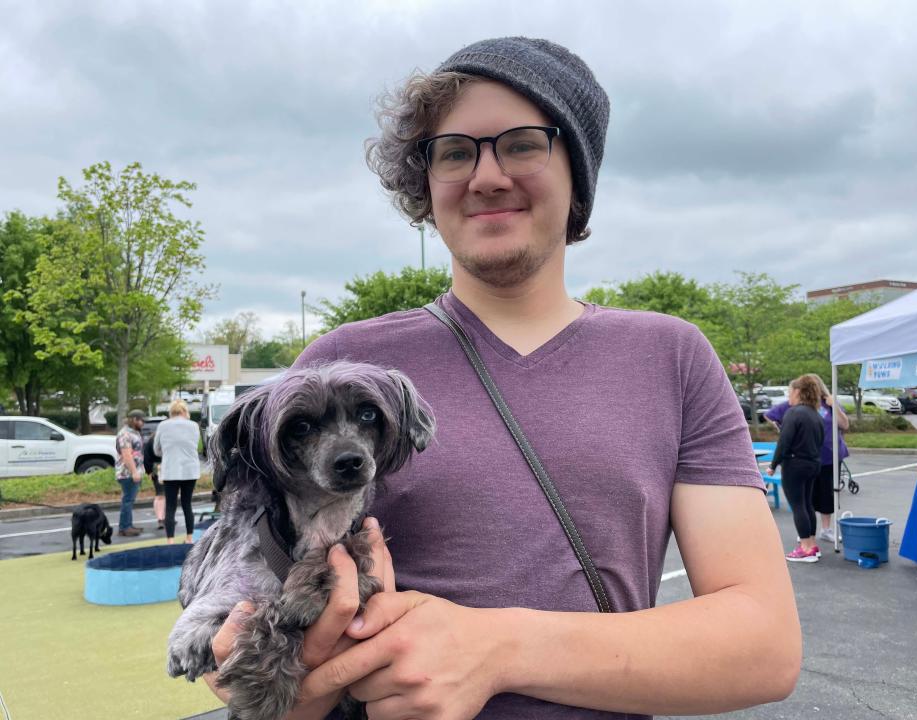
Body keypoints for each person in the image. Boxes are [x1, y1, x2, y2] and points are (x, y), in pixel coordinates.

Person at [204, 37, 801, 719]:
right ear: (424, 184)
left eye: (522, 144)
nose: (485, 176)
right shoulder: (339, 373)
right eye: (455, 152)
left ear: (577, 171)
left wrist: (499, 648)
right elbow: (246, 599)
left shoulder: (672, 356)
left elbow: (764, 645)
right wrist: (277, 678)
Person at [765, 374, 849, 543]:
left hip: (827, 456)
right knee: (805, 500)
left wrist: (835, 407)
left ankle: (819, 533)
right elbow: (770, 416)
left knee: (823, 496)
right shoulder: (796, 409)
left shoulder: (825, 405)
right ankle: (807, 535)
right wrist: (781, 427)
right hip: (810, 457)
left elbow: (845, 425)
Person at [766, 375, 826, 563]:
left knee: (798, 506)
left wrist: (773, 465)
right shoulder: (815, 414)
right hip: (813, 464)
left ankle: (805, 548)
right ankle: (812, 545)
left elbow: (784, 441)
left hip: (795, 465)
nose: (788, 396)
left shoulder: (794, 413)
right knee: (807, 504)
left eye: (790, 392)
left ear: (798, 392)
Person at [153, 399, 201, 545]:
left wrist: (167, 453)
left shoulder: (163, 425)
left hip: (171, 469)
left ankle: (170, 540)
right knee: (187, 504)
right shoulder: (193, 426)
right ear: (184, 411)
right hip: (190, 470)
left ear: (171, 412)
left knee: (171, 506)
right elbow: (196, 446)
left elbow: (156, 449)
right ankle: (189, 538)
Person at [115, 408, 146, 537]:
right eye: (141, 420)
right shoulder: (125, 434)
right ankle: (124, 527)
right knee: (127, 500)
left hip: (134, 471)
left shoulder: (134, 432)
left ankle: (129, 524)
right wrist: (134, 472)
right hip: (127, 473)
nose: (143, 423)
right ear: (134, 420)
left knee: (130, 499)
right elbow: (127, 455)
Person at [143, 432, 165, 530]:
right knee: (161, 495)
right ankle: (161, 518)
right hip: (162, 469)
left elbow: (146, 457)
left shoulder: (150, 441)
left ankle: (162, 517)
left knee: (161, 494)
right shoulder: (159, 441)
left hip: (156, 469)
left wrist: (149, 471)